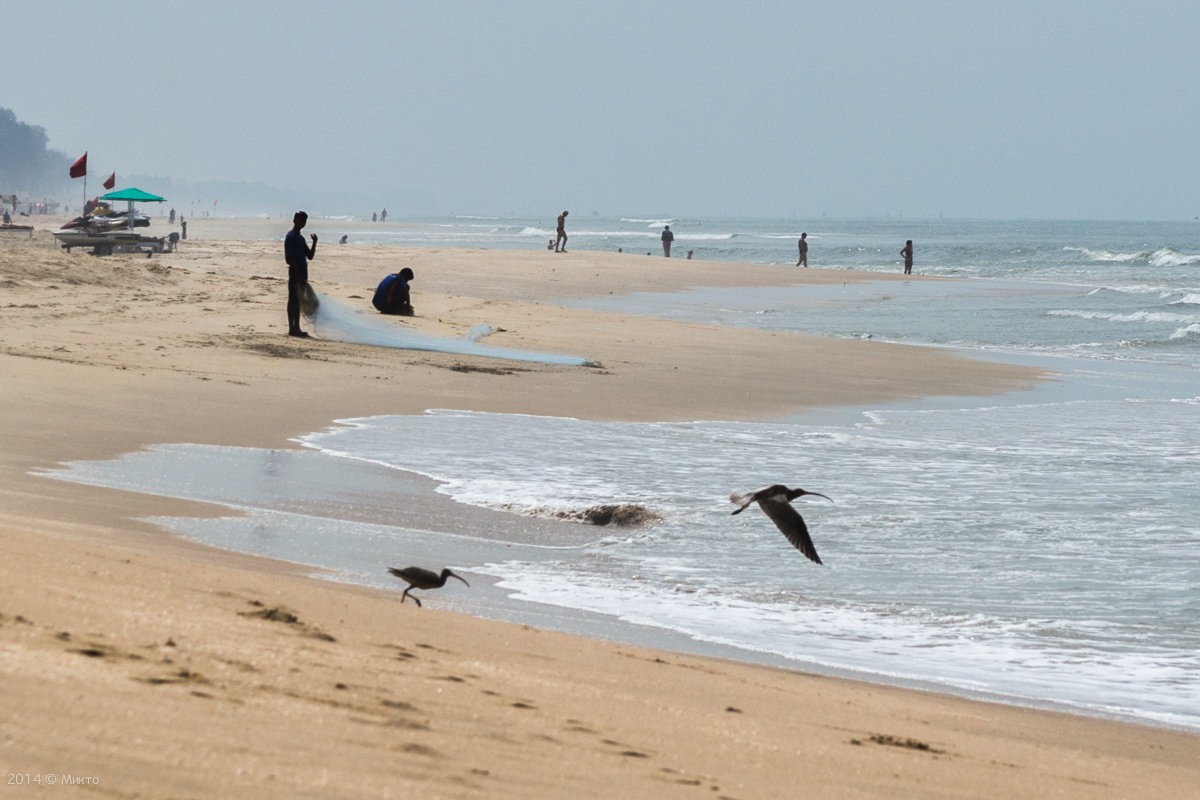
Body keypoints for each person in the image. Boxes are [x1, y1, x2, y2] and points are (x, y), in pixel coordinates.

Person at [285, 211, 318, 337]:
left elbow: (309, 256)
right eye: (300, 221)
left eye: (304, 221)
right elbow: (290, 258)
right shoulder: (290, 237)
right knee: (292, 299)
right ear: (294, 220)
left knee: (298, 300)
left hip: (303, 274)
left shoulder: (300, 238)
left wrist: (314, 242)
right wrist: (298, 275)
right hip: (295, 274)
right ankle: (291, 328)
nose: (302, 223)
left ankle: (296, 327)